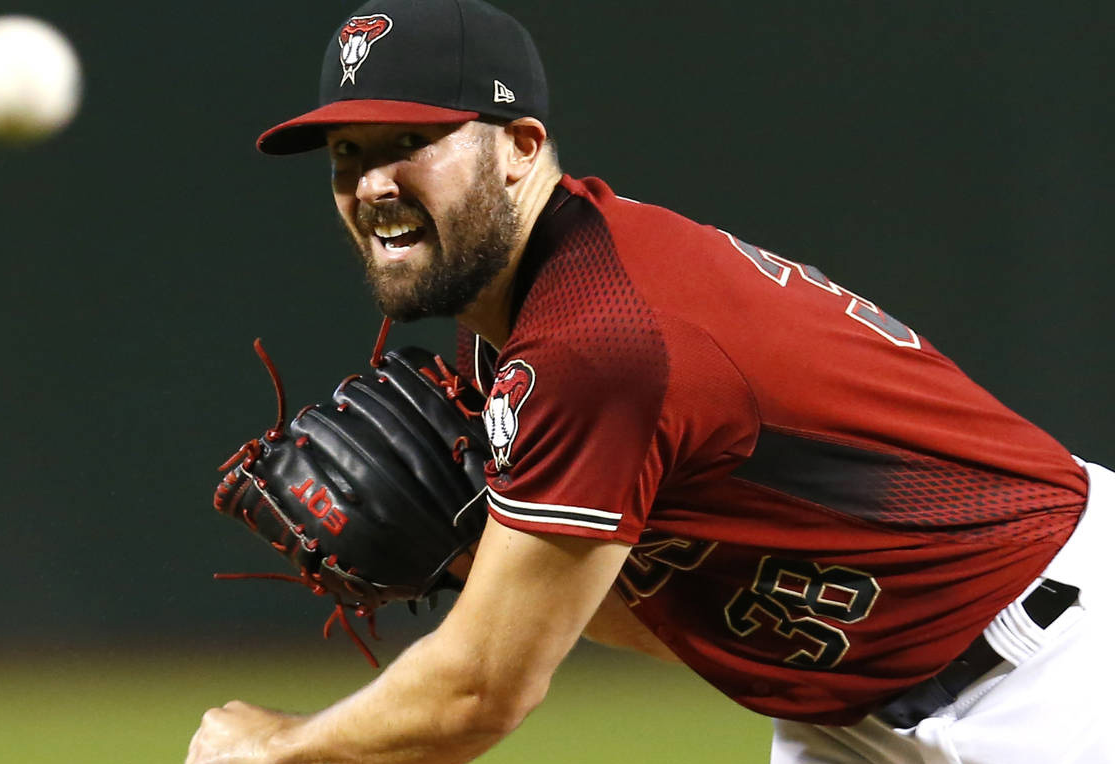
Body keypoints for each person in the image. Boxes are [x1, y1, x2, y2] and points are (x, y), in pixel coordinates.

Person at [187, 1, 1111, 762]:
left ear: (520, 145)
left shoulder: (596, 338)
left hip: (1060, 666)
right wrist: (482, 559)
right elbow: (658, 610)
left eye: (410, 140)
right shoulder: (511, 330)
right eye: (347, 154)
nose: (372, 182)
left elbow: (479, 694)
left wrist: (279, 748)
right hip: (860, 706)